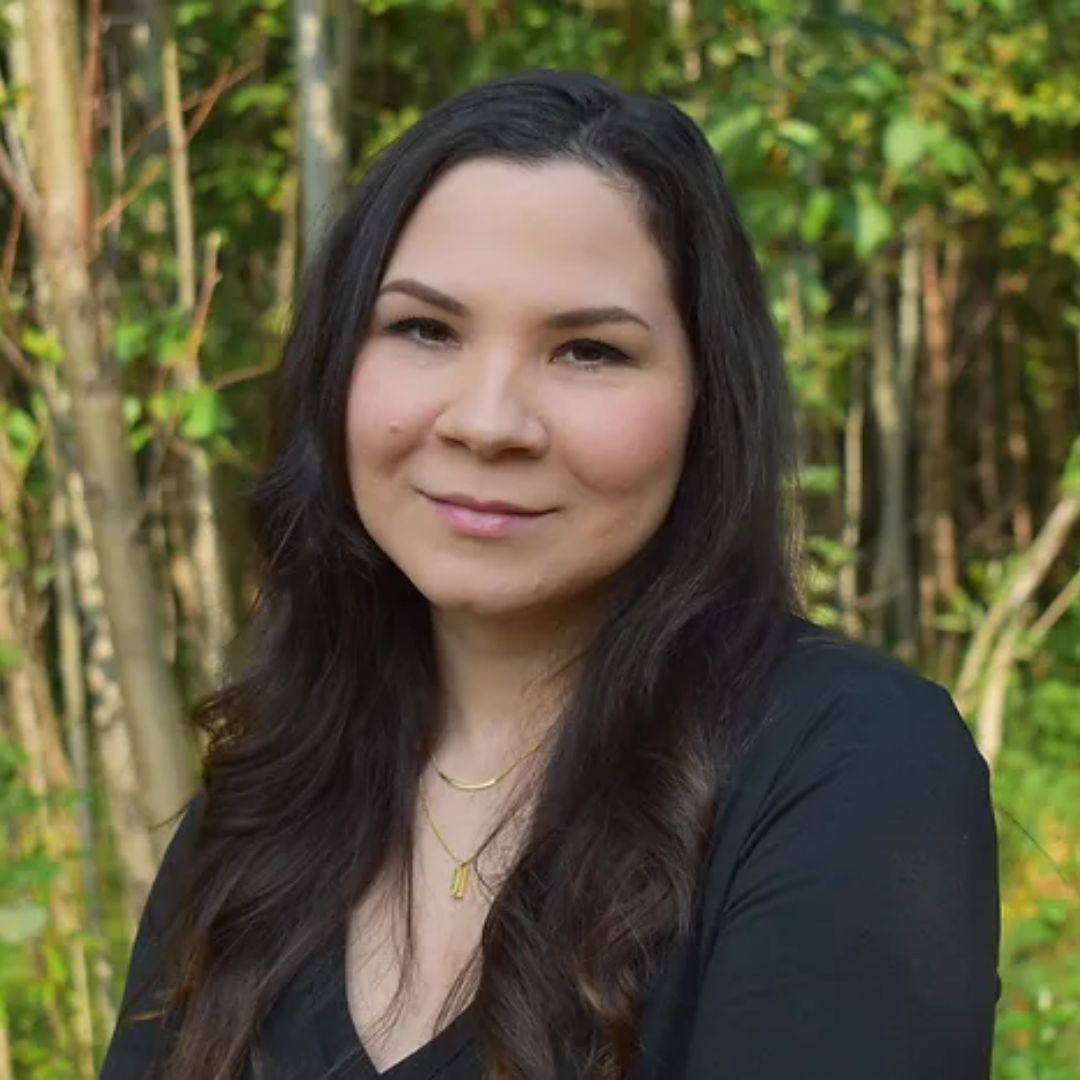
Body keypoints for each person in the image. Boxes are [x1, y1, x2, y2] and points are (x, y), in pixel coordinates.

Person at [100, 69, 1000, 1080]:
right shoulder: (270, 791)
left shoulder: (846, 764)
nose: (487, 423)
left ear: (707, 402)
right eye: (425, 329)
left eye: (588, 351)